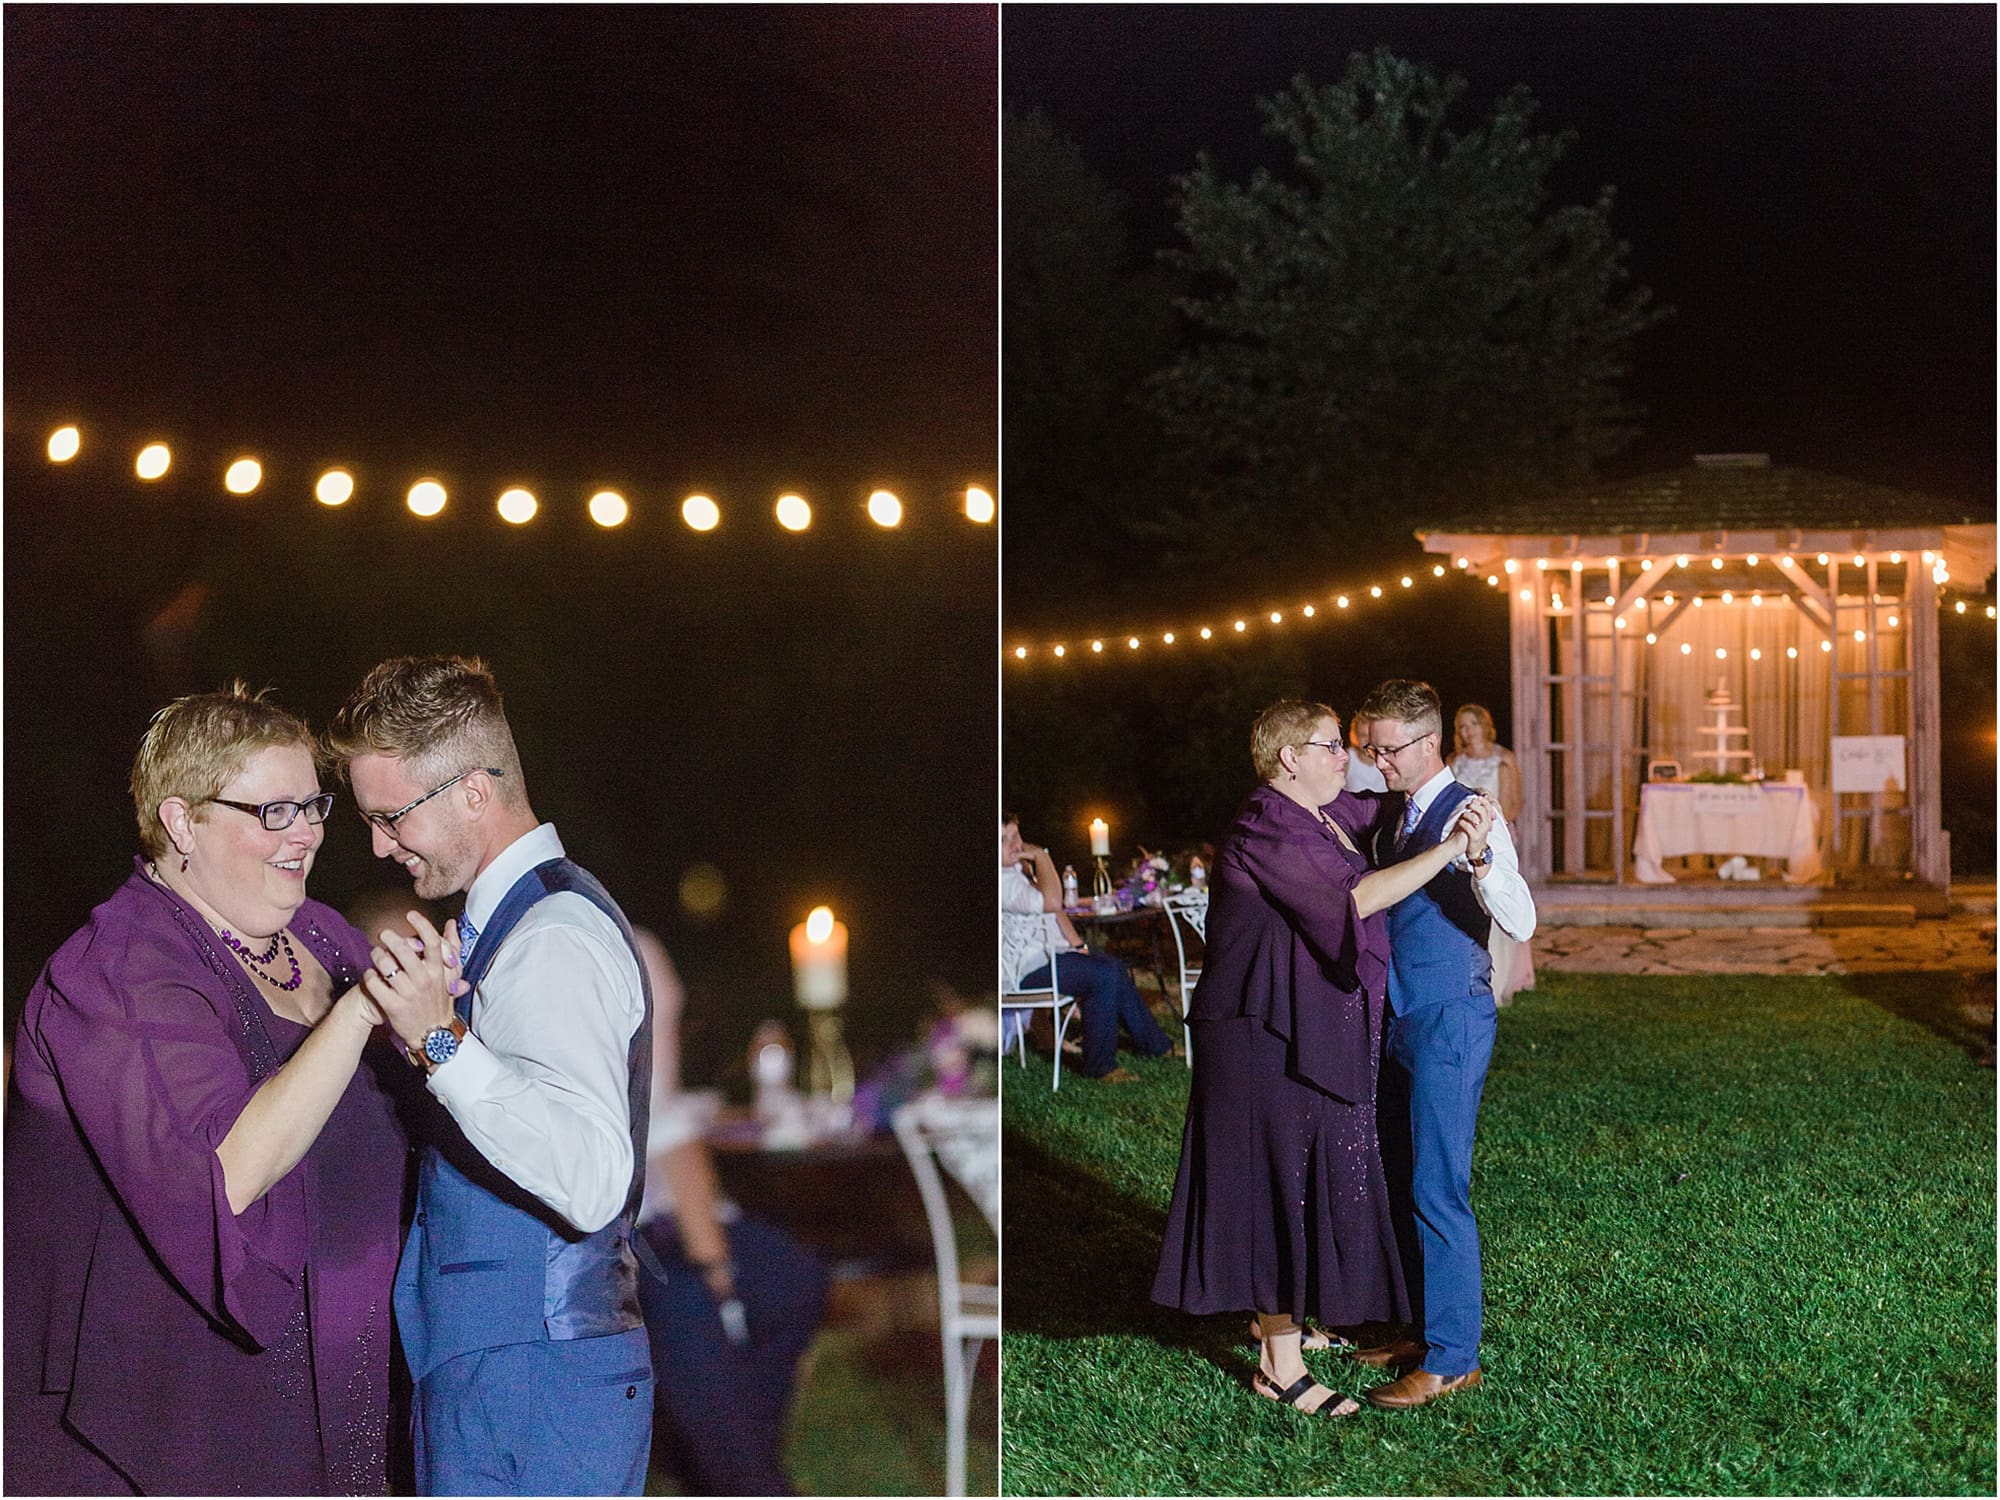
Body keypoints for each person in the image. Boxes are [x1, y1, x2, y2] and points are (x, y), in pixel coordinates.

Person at [4, 684, 441, 1494]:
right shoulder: (119, 968)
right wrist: (359, 1014)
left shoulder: (320, 934)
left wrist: (444, 1029)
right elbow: (224, 1172)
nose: (306, 832)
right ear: (181, 823)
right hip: (175, 1415)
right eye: (272, 811)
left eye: (311, 805)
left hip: (347, 1381)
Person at [328, 655, 655, 1496]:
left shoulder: (552, 937)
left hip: (535, 1383)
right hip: (501, 1372)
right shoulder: (510, 924)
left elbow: (591, 1178)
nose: (379, 845)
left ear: (473, 792)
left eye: (392, 817)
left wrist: (442, 1043)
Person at [1151, 700, 1496, 1419]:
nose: (1351, 757)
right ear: (1289, 758)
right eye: (1334, 746)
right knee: (1269, 1191)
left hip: (1302, 1025)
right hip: (1259, 1033)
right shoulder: (1267, 823)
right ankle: (1280, 1367)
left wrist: (1452, 795)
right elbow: (1358, 897)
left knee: (1300, 1183)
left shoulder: (1328, 812)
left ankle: (1286, 1325)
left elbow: (1398, 806)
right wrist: (1451, 848)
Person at [1353, 679, 1535, 1410]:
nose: (1378, 761)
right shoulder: (1395, 814)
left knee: (1438, 1185)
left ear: (1428, 743)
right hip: (1397, 1016)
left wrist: (1482, 860)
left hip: (1450, 1018)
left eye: (1388, 749)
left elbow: (1521, 918)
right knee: (1401, 1173)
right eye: (1371, 749)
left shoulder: (1471, 812)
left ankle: (1454, 1358)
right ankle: (1419, 1331)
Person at [631, 928, 828, 1496]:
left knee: (794, 1278)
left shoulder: (645, 957)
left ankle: (732, 1463)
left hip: (678, 1215)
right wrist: (713, 1260)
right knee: (690, 1301)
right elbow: (664, 1135)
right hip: (629, 1233)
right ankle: (745, 1475)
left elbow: (669, 1113)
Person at [1001, 813, 1175, 1082]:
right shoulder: (1003, 882)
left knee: (1114, 966)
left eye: (1015, 835)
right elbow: (1052, 902)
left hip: (1048, 955)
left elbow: (1055, 912)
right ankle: (1100, 1067)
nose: (1015, 844)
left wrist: (1078, 945)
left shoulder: (1016, 870)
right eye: (1003, 840)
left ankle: (1155, 1046)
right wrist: (1041, 856)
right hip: (1023, 969)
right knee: (1101, 976)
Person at [1450, 703, 1535, 1004]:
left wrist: (1490, 827)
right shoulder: (1454, 761)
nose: (1467, 731)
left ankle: (1500, 979)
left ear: (1484, 726)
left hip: (1495, 835)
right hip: (1461, 841)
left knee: (1496, 895)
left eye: (1472, 724)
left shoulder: (1504, 760)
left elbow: (1513, 804)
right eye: (1462, 726)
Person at [1345, 709, 1389, 793]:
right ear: (1355, 736)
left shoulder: (1388, 756)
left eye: (1372, 735)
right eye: (1363, 736)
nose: (1369, 740)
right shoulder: (1347, 758)